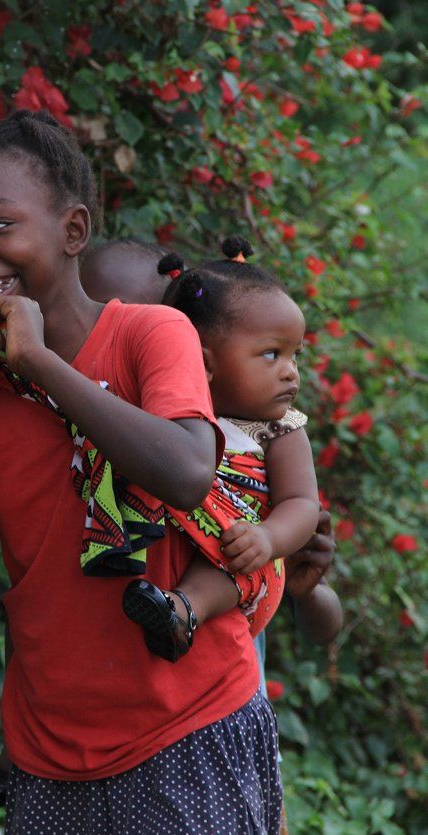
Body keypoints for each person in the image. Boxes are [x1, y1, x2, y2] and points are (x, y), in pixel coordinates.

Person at [0, 111, 283, 835]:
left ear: (72, 231)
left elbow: (189, 471)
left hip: (187, 728)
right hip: (47, 756)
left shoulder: (146, 336)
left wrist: (40, 365)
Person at [84, 236, 320, 663]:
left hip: (249, 568)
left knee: (229, 564)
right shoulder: (169, 415)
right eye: (272, 354)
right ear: (204, 364)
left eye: (294, 355)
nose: (291, 373)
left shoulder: (279, 428)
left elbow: (303, 503)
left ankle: (183, 609)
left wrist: (268, 537)